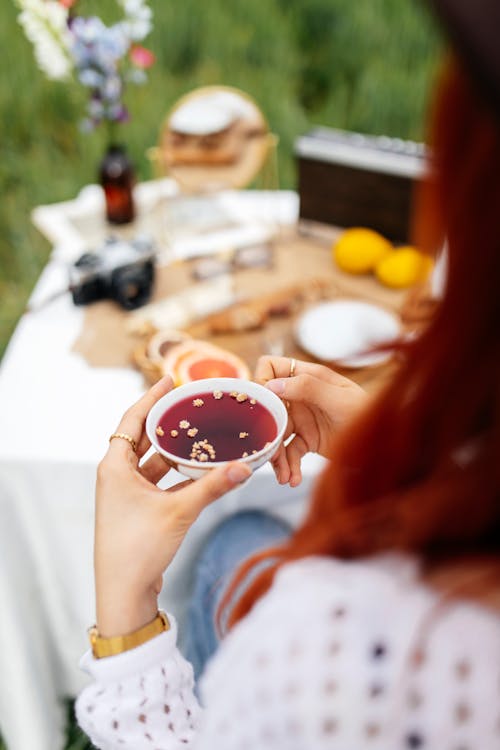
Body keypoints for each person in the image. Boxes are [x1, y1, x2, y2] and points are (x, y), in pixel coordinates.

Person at [76, 1, 500, 747]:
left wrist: (124, 616)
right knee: (238, 537)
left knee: (232, 552)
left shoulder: (340, 649)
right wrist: (391, 441)